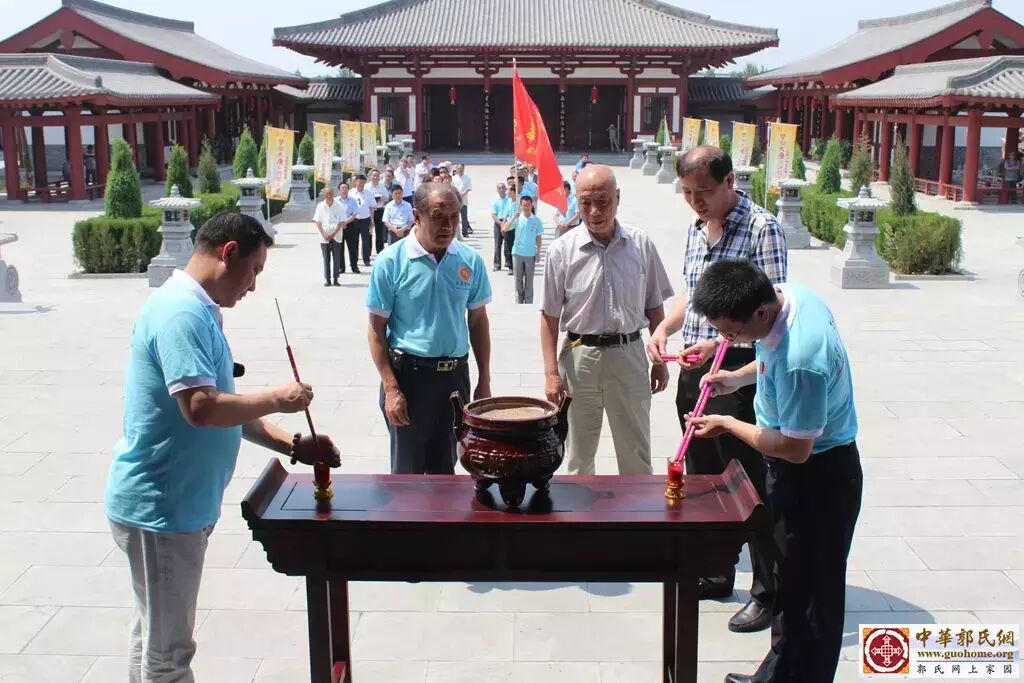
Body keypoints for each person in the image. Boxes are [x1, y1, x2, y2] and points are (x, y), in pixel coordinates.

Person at [105, 212, 341, 683]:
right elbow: (202, 407)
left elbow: (227, 407)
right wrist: (278, 397)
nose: (252, 286)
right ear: (228, 253)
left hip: (179, 503)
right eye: (253, 270)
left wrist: (293, 444)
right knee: (168, 655)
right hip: (162, 506)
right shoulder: (181, 313)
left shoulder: (200, 308)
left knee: (154, 639)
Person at [683, 259, 861, 683]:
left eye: (731, 334)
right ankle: (777, 675)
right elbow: (766, 354)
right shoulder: (790, 295)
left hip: (818, 478)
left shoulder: (802, 359)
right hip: (804, 469)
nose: (727, 341)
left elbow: (795, 450)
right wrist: (735, 378)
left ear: (760, 312)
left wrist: (728, 423)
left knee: (811, 597)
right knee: (792, 586)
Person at [647, 145, 787, 633]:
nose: (695, 201)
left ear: (730, 181)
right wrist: (664, 327)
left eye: (703, 191)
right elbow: (693, 293)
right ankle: (716, 567)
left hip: (740, 373)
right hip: (697, 371)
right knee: (705, 477)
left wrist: (718, 343)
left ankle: (769, 591)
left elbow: (770, 311)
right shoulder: (696, 227)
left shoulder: (762, 229)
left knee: (750, 482)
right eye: (687, 192)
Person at [541, 165, 674, 475]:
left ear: (618, 197)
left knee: (636, 452)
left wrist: (660, 359)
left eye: (602, 201)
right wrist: (551, 373)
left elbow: (655, 307)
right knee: (578, 455)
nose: (594, 211)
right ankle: (580, 508)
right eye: (585, 202)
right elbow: (549, 316)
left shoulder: (640, 244)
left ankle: (635, 507)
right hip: (579, 357)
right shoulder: (561, 251)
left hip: (630, 355)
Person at [367, 182, 493, 474]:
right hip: (409, 379)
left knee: (445, 472)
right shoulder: (390, 262)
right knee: (407, 475)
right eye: (438, 217)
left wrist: (484, 379)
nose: (448, 226)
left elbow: (478, 321)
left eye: (454, 217)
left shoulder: (470, 261)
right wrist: (391, 388)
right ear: (417, 216)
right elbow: (375, 330)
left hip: (454, 380)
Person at [506, 195, 543, 304]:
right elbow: (504, 228)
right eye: (524, 205)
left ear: (531, 205)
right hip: (517, 253)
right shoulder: (517, 218)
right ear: (521, 206)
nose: (526, 207)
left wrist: (538, 252)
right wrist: (513, 217)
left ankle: (528, 301)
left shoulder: (536, 220)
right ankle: (519, 300)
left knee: (529, 280)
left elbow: (538, 237)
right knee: (518, 279)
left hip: (530, 254)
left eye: (528, 205)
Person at [313, 186, 347, 286]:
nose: (329, 196)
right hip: (324, 237)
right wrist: (324, 234)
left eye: (330, 193)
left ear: (333, 194)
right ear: (324, 195)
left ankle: (336, 279)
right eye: (327, 194)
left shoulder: (339, 205)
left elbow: (342, 222)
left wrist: (333, 233)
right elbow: (318, 221)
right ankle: (327, 279)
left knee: (336, 258)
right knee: (326, 258)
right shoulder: (320, 206)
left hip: (336, 235)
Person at [351, 174, 376, 267]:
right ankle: (354, 259)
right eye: (359, 182)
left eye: (363, 182)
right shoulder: (351, 193)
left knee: (366, 240)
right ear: (355, 182)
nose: (361, 184)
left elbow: (372, 207)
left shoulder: (369, 193)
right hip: (354, 220)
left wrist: (372, 219)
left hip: (365, 219)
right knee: (354, 241)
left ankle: (366, 259)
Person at [336, 181, 360, 274]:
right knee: (340, 248)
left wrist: (346, 222)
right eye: (342, 188)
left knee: (353, 247)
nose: (344, 190)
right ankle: (341, 267)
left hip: (350, 225)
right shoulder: (335, 201)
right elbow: (334, 214)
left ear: (348, 189)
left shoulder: (352, 200)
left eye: (346, 188)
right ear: (339, 190)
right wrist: (341, 224)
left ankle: (354, 267)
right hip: (339, 226)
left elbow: (354, 214)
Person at [490, 182, 514, 271]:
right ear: (497, 190)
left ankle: (509, 263)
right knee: (497, 244)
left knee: (508, 244)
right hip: (498, 223)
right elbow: (493, 214)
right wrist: (500, 223)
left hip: (508, 222)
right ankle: (497, 264)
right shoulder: (496, 201)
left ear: (506, 189)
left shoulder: (510, 200)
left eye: (503, 188)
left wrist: (506, 223)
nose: (501, 190)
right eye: (499, 188)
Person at [367, 169, 388, 254]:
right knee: (369, 232)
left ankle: (380, 252)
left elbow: (387, 198)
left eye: (377, 176)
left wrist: (383, 198)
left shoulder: (382, 186)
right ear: (370, 176)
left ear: (379, 177)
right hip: (369, 211)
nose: (375, 177)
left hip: (379, 211)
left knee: (380, 232)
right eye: (374, 175)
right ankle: (368, 252)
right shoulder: (367, 186)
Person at [453, 163, 474, 237]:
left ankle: (465, 233)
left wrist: (462, 194)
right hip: (455, 199)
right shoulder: (453, 178)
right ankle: (455, 233)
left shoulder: (467, 178)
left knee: (464, 217)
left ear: (464, 169)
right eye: (458, 168)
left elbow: (469, 188)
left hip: (463, 200)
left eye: (461, 168)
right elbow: (451, 188)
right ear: (456, 169)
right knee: (455, 217)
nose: (460, 169)